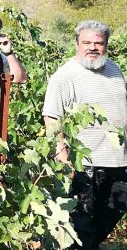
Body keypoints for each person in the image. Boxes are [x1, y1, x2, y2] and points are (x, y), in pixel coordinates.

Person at [42, 20, 127, 249]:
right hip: (85, 164)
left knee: (114, 209)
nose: (92, 47)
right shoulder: (65, 76)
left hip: (118, 160)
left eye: (98, 43)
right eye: (87, 42)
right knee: (82, 223)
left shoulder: (114, 69)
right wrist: (63, 156)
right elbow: (52, 117)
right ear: (77, 44)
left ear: (106, 45)